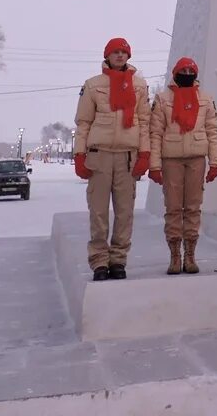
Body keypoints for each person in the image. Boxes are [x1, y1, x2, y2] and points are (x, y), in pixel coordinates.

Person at [74, 37, 152, 281]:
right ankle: (99, 261)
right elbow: (84, 122)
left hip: (127, 158)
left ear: (128, 56)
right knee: (98, 212)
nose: (120, 56)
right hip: (100, 156)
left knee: (125, 212)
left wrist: (145, 154)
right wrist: (79, 154)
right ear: (107, 56)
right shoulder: (93, 85)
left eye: (123, 52)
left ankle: (118, 260)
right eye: (115, 52)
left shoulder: (139, 85)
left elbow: (145, 123)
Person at [147, 57, 217, 275]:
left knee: (192, 208)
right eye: (183, 70)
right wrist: (154, 165)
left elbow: (212, 133)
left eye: (191, 70)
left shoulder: (206, 100)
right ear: (175, 73)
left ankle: (190, 255)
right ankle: (174, 256)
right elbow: (155, 134)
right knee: (173, 208)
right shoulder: (162, 99)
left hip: (197, 159)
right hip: (171, 160)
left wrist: (215, 162)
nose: (187, 73)